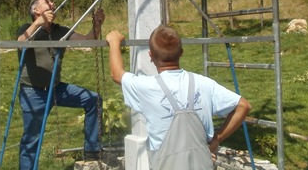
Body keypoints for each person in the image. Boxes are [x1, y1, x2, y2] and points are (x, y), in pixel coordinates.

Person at [106, 25, 251, 168]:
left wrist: (114, 42)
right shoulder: (204, 83)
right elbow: (243, 106)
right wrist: (216, 140)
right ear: (181, 52)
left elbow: (117, 74)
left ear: (150, 55)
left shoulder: (147, 86)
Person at [16, 0, 105, 168]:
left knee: (93, 99)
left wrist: (97, 24)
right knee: (32, 138)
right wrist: (38, 23)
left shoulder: (59, 30)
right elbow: (20, 44)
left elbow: (88, 41)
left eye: (52, 2)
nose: (53, 4)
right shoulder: (27, 28)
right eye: (47, 3)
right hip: (33, 92)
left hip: (57, 89)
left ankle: (92, 150)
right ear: (36, 10)